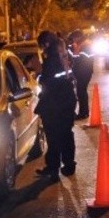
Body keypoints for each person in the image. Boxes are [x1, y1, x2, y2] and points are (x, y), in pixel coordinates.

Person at [34, 30, 78, 181]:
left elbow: (48, 81)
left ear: (46, 44)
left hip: (55, 104)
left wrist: (38, 73)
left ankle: (53, 168)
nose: (41, 49)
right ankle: (69, 165)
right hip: (67, 100)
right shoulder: (64, 54)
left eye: (41, 45)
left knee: (54, 137)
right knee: (66, 134)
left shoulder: (51, 59)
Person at [67, 29, 94, 120]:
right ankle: (84, 112)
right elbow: (71, 57)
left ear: (78, 37)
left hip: (84, 72)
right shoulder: (79, 45)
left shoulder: (86, 46)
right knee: (81, 92)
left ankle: (83, 113)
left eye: (74, 38)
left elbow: (79, 60)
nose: (73, 40)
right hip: (81, 72)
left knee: (81, 91)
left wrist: (76, 50)